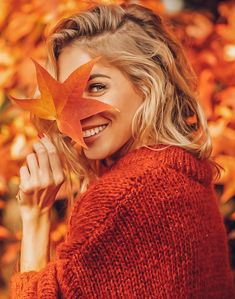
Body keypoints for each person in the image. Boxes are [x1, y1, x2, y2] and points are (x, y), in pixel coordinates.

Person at [9, 3, 235, 298]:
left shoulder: (122, 197)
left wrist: (35, 216)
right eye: (68, 94)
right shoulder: (182, 176)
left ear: (147, 82)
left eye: (97, 87)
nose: (77, 111)